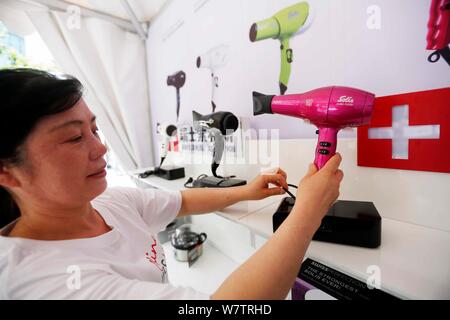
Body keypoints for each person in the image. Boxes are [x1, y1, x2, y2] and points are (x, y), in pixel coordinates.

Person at [0, 68, 343, 300]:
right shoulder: (48, 284)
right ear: (7, 173)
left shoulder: (110, 203)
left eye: (94, 129)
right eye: (74, 137)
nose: (100, 147)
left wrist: (247, 191)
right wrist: (308, 211)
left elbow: (183, 201)